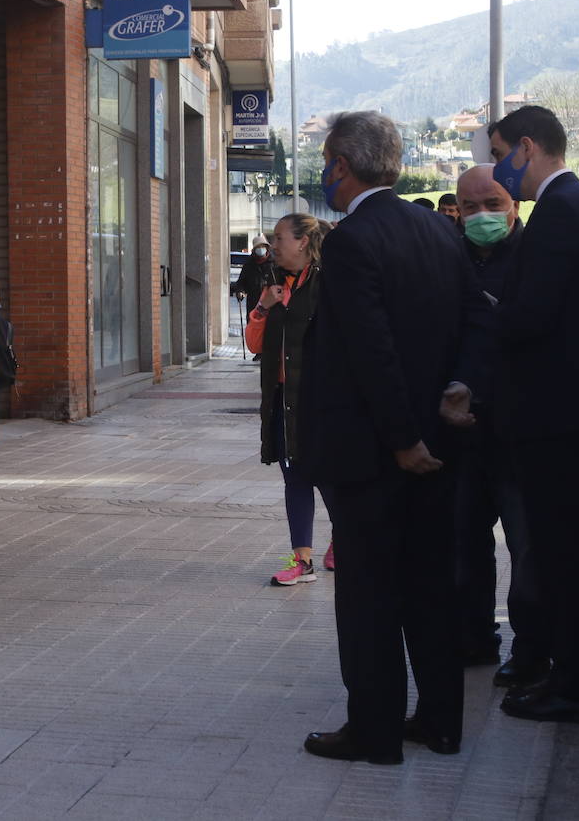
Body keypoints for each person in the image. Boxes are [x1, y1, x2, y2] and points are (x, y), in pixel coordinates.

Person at [298, 111, 489, 764]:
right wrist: (461, 386)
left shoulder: (352, 242)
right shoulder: (439, 231)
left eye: (326, 162)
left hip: (376, 455)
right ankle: (439, 721)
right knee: (431, 589)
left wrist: (403, 438)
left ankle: (375, 731)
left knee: (370, 597)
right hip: (438, 446)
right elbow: (476, 320)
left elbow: (371, 352)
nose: (325, 174)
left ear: (342, 166)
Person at [487, 105, 579, 723]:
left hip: (560, 411)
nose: (495, 169)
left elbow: (532, 316)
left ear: (527, 147)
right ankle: (572, 675)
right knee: (566, 546)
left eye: (498, 153)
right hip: (574, 406)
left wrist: (485, 311)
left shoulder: (561, 213)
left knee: (565, 550)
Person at [450, 165, 547, 687]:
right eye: (470, 207)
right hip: (464, 434)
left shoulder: (535, 258)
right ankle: (473, 638)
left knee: (527, 547)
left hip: (517, 432)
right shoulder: (451, 258)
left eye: (493, 203)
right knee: (464, 544)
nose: (482, 215)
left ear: (514, 205)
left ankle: (530, 651)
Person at [245, 213, 332, 585]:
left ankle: (346, 541)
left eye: (279, 238)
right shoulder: (276, 283)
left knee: (330, 479)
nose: (273, 244)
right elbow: (254, 344)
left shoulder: (327, 284)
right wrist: (264, 307)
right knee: (294, 479)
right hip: (283, 401)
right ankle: (303, 561)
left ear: (302, 242)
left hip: (318, 402)